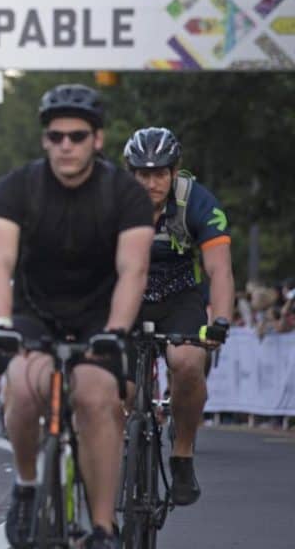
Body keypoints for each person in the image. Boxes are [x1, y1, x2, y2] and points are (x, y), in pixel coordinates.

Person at [0, 84, 154, 549]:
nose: (66, 146)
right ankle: (25, 485)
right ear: (45, 140)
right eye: (56, 136)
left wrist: (116, 331)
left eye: (77, 136)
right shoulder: (17, 187)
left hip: (102, 315)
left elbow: (134, 270)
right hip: (35, 312)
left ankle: (102, 528)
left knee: (98, 398)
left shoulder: (125, 193)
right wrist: (1, 325)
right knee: (22, 388)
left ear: (97, 139)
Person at [123, 126, 235, 506]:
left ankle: (183, 453)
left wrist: (220, 321)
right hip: (127, 295)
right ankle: (130, 430)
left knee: (187, 362)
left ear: (174, 171)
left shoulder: (197, 201)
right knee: (117, 385)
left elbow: (220, 269)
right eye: (143, 174)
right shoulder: (112, 202)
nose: (151, 183)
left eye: (159, 174)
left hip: (179, 296)